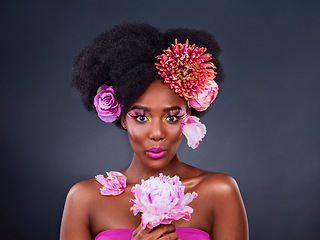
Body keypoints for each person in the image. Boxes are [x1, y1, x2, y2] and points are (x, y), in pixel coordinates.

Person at [60, 23, 248, 240]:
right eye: (141, 117)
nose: (157, 133)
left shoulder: (219, 192)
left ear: (189, 116)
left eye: (172, 117)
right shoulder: (84, 199)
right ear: (122, 118)